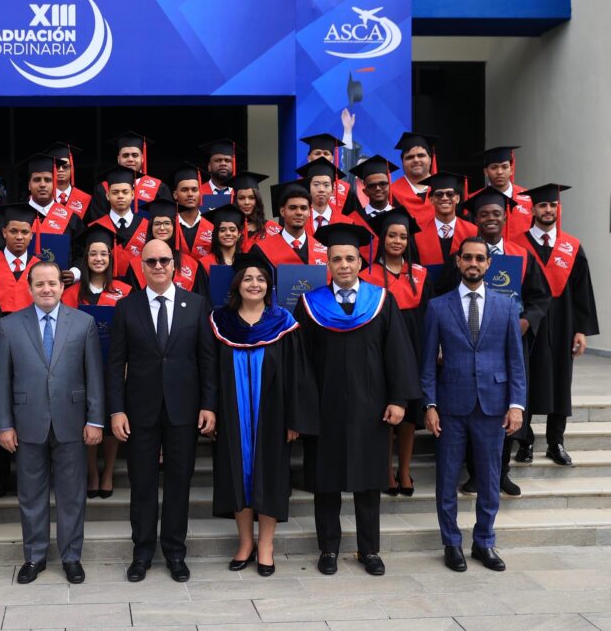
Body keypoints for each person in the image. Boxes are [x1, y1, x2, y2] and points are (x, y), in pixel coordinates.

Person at [292, 223, 419, 577]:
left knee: (368, 481)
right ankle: (329, 548)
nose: (343, 265)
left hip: (371, 406)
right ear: (328, 264)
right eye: (336, 259)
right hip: (325, 407)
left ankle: (369, 549)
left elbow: (397, 353)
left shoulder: (380, 301)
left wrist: (398, 399)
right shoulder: (310, 304)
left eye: (349, 258)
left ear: (360, 262)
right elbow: (301, 362)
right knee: (326, 482)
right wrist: (303, 411)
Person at [108, 239, 217, 583]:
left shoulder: (196, 305)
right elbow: (115, 364)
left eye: (164, 261)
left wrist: (209, 405)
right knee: (141, 484)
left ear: (175, 265)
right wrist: (116, 410)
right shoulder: (127, 307)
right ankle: (141, 553)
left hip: (184, 410)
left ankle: (174, 552)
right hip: (139, 411)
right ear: (141, 266)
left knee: (179, 483)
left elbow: (207, 360)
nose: (157, 266)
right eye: (151, 261)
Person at [0, 261, 105, 584]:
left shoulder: (83, 323)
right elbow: (1, 379)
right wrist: (3, 424)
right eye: (40, 284)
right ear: (29, 288)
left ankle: (71, 556)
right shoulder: (11, 326)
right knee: (30, 493)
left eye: (52, 284)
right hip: (26, 422)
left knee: (72, 493)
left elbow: (93, 375)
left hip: (72, 421)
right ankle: (35, 556)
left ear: (62, 286)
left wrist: (96, 420)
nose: (46, 289)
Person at [421, 237, 526, 573]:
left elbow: (516, 361)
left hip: (493, 406)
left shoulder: (507, 306)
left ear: (488, 264)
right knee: (447, 477)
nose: (474, 263)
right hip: (450, 407)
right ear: (458, 261)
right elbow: (426, 364)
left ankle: (484, 542)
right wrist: (430, 404)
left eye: (480, 258)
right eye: (468, 257)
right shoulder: (438, 306)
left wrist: (516, 405)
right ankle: (451, 543)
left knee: (490, 477)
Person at [210, 254, 318, 576]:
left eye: (260, 279)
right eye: (247, 279)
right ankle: (245, 542)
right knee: (235, 476)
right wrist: (211, 410)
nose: (254, 284)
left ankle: (266, 545)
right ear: (237, 285)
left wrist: (294, 419)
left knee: (269, 477)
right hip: (232, 416)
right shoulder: (220, 322)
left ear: (269, 285)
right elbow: (211, 373)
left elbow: (298, 375)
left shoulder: (283, 323)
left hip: (273, 417)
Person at [458, 187, 551, 496]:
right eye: (484, 214)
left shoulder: (521, 255)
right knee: (476, 405)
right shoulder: (466, 255)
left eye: (496, 213)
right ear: (475, 217)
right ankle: (475, 473)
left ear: (505, 215)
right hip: (473, 342)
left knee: (507, 406)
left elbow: (540, 297)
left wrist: (527, 322)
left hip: (511, 343)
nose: (491, 219)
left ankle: (502, 472)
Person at [517, 183, 599, 466]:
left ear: (557, 209)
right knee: (525, 379)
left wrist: (581, 330)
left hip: (563, 322)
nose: (548, 210)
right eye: (542, 205)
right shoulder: (517, 244)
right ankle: (524, 441)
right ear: (533, 209)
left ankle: (556, 442)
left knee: (561, 380)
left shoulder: (572, 247)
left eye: (552, 205)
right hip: (529, 322)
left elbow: (582, 292)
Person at [0, 202, 44, 504]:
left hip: (33, 346)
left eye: (24, 232)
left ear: (32, 235)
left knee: (30, 404)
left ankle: (32, 476)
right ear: (3, 232)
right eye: (13, 231)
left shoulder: (41, 268)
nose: (18, 236)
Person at [361, 208, 433, 497]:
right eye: (392, 235)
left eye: (403, 236)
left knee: (410, 415)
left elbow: (429, 315)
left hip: (414, 348)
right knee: (384, 412)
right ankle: (384, 469)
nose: (397, 241)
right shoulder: (368, 275)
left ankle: (403, 469)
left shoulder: (420, 274)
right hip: (380, 350)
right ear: (382, 238)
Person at [62, 227, 132, 500]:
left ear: (110, 258)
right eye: (93, 253)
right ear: (86, 259)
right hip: (80, 366)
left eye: (104, 253)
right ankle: (92, 471)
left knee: (112, 416)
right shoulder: (70, 293)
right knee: (88, 418)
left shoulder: (124, 291)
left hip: (115, 365)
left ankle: (108, 471)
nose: (99, 258)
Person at [125, 198, 207, 297]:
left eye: (167, 223)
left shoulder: (192, 265)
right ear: (151, 228)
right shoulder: (136, 265)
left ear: (174, 226)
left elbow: (199, 302)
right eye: (157, 224)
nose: (162, 228)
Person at [86, 131, 171, 221]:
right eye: (125, 156)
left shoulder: (158, 188)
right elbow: (99, 223)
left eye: (135, 155)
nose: (130, 159)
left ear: (142, 158)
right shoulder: (103, 189)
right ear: (118, 159)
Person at [88, 167, 150, 278]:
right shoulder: (96, 228)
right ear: (108, 196)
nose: (120, 196)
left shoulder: (147, 227)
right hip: (106, 288)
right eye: (115, 192)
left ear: (132, 194)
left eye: (125, 192)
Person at [251, 182, 327, 267]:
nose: (299, 212)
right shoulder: (262, 250)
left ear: (309, 212)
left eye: (303, 208)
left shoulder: (323, 251)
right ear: (282, 211)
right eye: (293, 208)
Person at [413, 172, 477, 267]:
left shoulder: (473, 231)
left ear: (458, 198)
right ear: (431, 200)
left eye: (450, 194)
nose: (444, 198)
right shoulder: (417, 235)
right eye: (439, 194)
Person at [473, 145, 533, 240]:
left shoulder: (529, 197)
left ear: (511, 170)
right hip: (486, 253)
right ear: (486, 172)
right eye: (494, 167)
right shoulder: (474, 199)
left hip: (521, 253)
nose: (500, 172)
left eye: (504, 167)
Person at [389, 132, 438, 222]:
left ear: (430, 159)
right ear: (402, 162)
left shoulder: (445, 190)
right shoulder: (391, 193)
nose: (416, 160)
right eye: (410, 157)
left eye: (421, 155)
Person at [169, 163, 214, 260]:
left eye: (194, 190)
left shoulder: (212, 224)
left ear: (200, 193)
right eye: (184, 190)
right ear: (175, 195)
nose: (190, 194)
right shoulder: (168, 225)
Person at [297, 158, 353, 234]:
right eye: (316, 184)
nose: (321, 189)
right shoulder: (297, 220)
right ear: (307, 187)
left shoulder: (346, 223)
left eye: (326, 185)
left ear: (333, 189)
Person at [229, 171, 279, 246]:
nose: (246, 202)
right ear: (235, 200)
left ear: (257, 200)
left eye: (251, 198)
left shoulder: (272, 228)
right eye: (241, 198)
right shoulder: (228, 229)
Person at [45, 142, 91, 219]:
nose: (61, 170)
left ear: (72, 168)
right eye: (57, 167)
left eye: (65, 167)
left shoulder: (84, 199)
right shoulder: (42, 198)